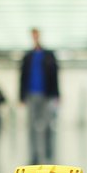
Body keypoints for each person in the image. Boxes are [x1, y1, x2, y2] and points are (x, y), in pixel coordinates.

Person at [19, 28, 60, 164]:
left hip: (46, 95)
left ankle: (49, 153)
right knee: (31, 126)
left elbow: (55, 76)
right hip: (31, 94)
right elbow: (22, 77)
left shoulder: (49, 55)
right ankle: (34, 155)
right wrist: (21, 96)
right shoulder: (27, 56)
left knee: (48, 124)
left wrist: (57, 94)